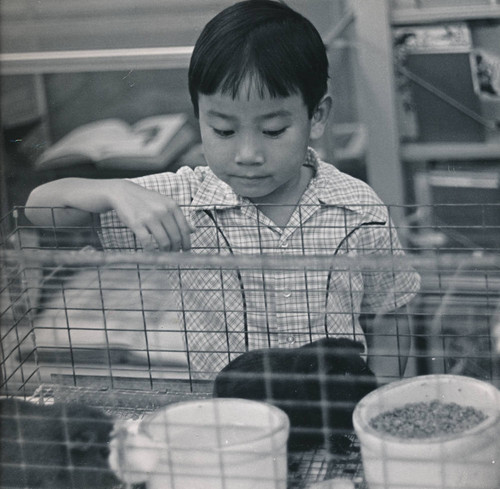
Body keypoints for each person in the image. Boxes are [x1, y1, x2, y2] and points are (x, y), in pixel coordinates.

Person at [25, 0, 420, 381]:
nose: (248, 154)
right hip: (228, 418)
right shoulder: (185, 198)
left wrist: (373, 402)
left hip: (332, 411)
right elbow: (38, 209)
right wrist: (114, 191)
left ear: (316, 116)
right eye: (224, 131)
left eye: (273, 131)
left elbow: (392, 312)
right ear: (199, 117)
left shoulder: (356, 206)